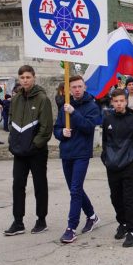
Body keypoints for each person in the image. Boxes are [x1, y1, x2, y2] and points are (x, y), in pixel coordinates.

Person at [4, 66, 53, 236]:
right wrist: (13, 141)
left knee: (39, 185)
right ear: (19, 79)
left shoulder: (42, 99)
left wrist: (35, 145)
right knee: (18, 185)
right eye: (22, 77)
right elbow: (11, 122)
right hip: (19, 151)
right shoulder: (16, 99)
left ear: (34, 78)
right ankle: (18, 222)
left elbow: (46, 128)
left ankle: (41, 220)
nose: (25, 80)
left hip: (36, 151)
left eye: (28, 77)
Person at [52, 75, 101, 244]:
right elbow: (56, 128)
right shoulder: (65, 106)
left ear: (85, 87)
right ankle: (92, 216)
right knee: (76, 189)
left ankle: (71, 228)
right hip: (66, 152)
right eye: (74, 87)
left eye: (80, 86)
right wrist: (61, 134)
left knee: (75, 189)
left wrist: (74, 113)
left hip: (81, 153)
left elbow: (88, 128)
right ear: (69, 90)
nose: (77, 89)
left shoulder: (92, 106)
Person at [101, 89, 133, 247]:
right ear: (112, 102)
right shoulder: (108, 119)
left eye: (121, 101)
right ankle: (122, 223)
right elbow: (105, 140)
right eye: (116, 101)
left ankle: (131, 232)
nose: (118, 104)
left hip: (128, 165)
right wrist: (105, 157)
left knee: (128, 199)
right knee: (115, 198)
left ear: (126, 101)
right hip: (112, 165)